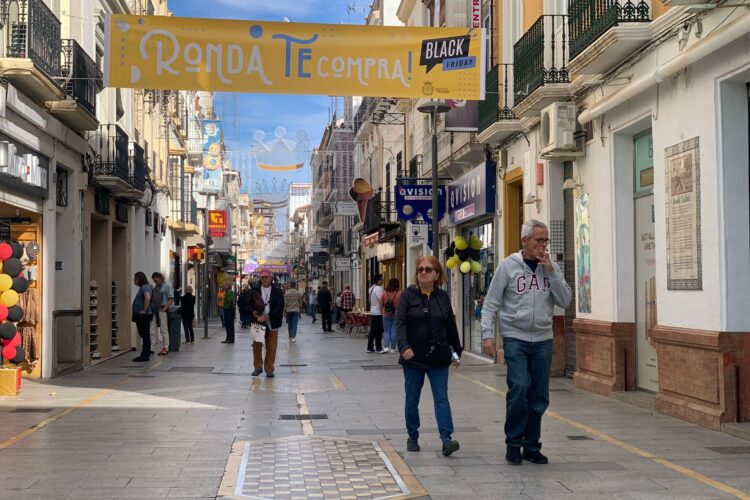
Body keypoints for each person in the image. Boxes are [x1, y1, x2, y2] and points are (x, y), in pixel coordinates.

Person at [481, 219, 572, 466]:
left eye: (546, 241)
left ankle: (532, 446)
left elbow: (565, 300)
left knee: (539, 395)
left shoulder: (551, 267)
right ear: (525, 241)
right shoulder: (508, 267)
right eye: (539, 240)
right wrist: (487, 334)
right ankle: (513, 443)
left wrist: (552, 272)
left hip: (543, 339)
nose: (543, 246)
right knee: (520, 387)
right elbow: (491, 303)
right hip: (515, 337)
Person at [396, 256, 462, 457]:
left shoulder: (442, 297)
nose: (423, 272)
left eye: (428, 269)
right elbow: (400, 324)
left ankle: (447, 439)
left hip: (438, 357)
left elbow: (450, 325)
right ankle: (413, 435)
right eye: (420, 270)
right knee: (412, 399)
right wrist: (404, 347)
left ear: (437, 275)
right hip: (413, 357)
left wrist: (456, 351)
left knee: (441, 397)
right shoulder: (408, 296)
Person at [250, 269, 285, 377]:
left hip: (272, 321)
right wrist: (253, 312)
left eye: (266, 277)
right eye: (262, 277)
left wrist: (268, 316)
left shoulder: (277, 291)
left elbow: (280, 306)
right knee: (257, 345)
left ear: (271, 278)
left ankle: (269, 369)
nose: (264, 279)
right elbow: (248, 303)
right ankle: (257, 367)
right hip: (258, 321)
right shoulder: (254, 290)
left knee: (271, 347)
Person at [150, 272, 174, 356]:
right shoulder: (155, 287)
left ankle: (165, 348)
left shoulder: (166, 286)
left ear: (160, 278)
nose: (155, 280)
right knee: (152, 330)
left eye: (156, 278)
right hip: (154, 311)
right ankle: (151, 348)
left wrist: (164, 309)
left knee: (163, 330)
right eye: (154, 279)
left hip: (162, 310)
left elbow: (170, 299)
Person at [132, 272, 153, 362]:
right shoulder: (144, 287)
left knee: (145, 334)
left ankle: (145, 355)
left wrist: (144, 310)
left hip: (143, 316)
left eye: (135, 278)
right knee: (144, 335)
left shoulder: (144, 287)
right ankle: (145, 353)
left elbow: (147, 298)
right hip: (142, 315)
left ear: (139, 279)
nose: (134, 280)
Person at [380, 278, 402, 353]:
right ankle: (393, 348)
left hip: (386, 314)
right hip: (397, 314)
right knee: (394, 331)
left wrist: (382, 312)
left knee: (386, 331)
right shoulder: (400, 293)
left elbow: (381, 303)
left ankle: (386, 347)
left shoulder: (384, 293)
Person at [366, 274, 385, 353]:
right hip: (378, 312)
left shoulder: (372, 288)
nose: (382, 281)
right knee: (379, 330)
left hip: (373, 310)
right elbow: (381, 300)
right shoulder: (378, 289)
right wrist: (382, 311)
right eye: (381, 279)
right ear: (378, 280)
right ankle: (378, 347)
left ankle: (370, 347)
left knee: (373, 330)